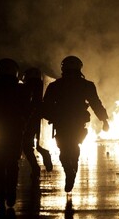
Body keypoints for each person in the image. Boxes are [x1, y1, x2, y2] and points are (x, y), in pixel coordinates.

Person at [41, 55, 110, 193]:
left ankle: (69, 172)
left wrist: (50, 116)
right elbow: (96, 103)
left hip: (62, 123)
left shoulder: (55, 85)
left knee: (64, 150)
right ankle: (71, 172)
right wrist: (104, 120)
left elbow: (46, 107)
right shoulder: (86, 85)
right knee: (74, 147)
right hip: (78, 122)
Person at [0, 58, 36, 210]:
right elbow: (29, 109)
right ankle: (11, 193)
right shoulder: (22, 90)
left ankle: (0, 193)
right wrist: (22, 119)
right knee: (13, 162)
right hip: (15, 130)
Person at [22, 67, 53, 172]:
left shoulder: (25, 88)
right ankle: (45, 154)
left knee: (26, 146)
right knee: (39, 146)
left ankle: (35, 168)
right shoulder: (45, 87)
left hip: (29, 120)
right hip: (42, 120)